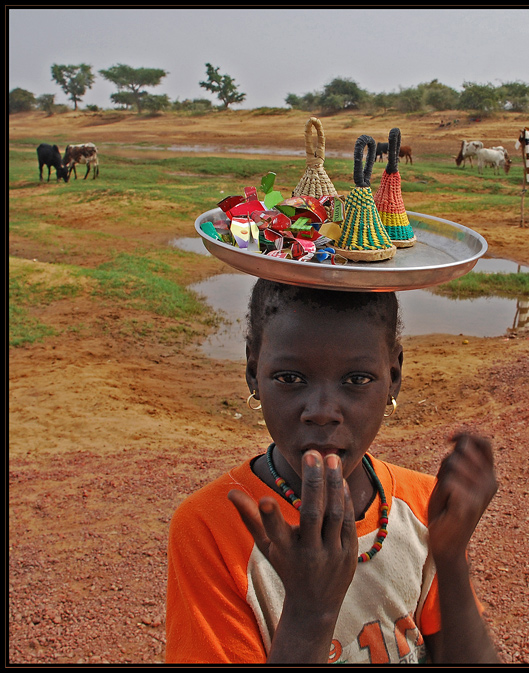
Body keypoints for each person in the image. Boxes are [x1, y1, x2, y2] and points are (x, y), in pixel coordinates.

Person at [165, 281, 499, 664]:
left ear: (394, 376)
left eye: (356, 380)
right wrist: (311, 611)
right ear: (253, 372)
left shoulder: (424, 508)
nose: (322, 411)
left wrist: (451, 558)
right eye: (290, 378)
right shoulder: (210, 528)